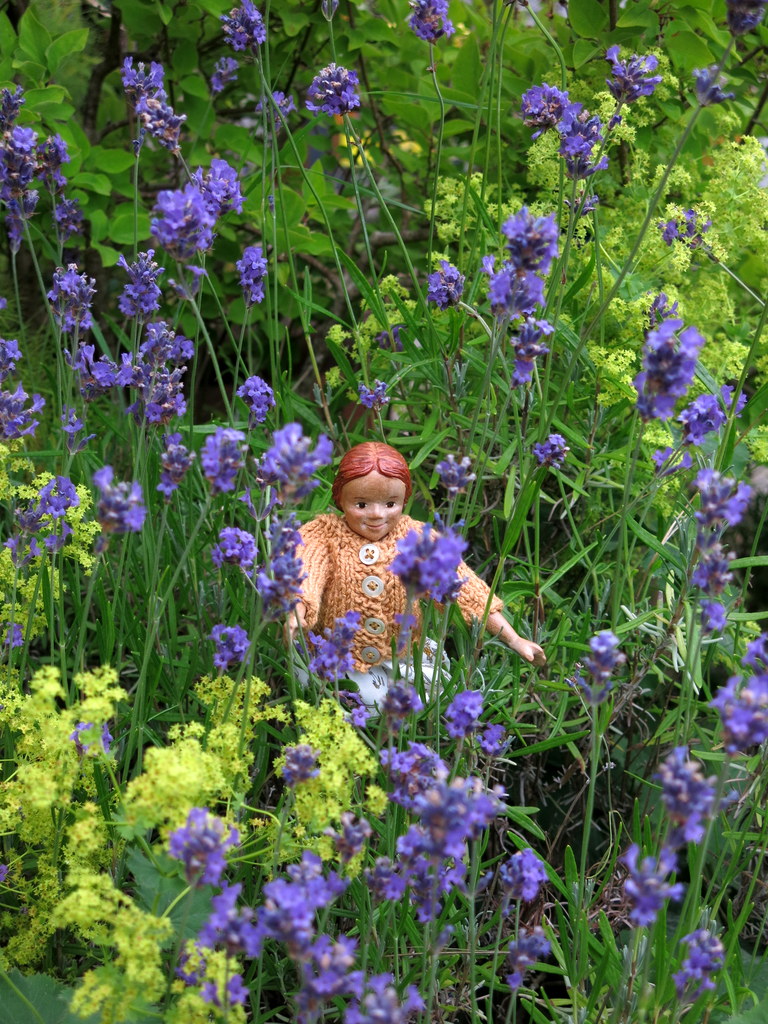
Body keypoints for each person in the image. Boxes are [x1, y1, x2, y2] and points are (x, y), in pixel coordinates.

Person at [288, 442, 545, 706]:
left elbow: (467, 593)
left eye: (390, 504)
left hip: (403, 656)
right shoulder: (323, 535)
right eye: (361, 504)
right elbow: (307, 571)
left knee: (430, 697)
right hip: (335, 655)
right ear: (340, 499)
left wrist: (514, 639)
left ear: (404, 500)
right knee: (360, 702)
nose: (376, 514)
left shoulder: (418, 538)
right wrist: (298, 608)